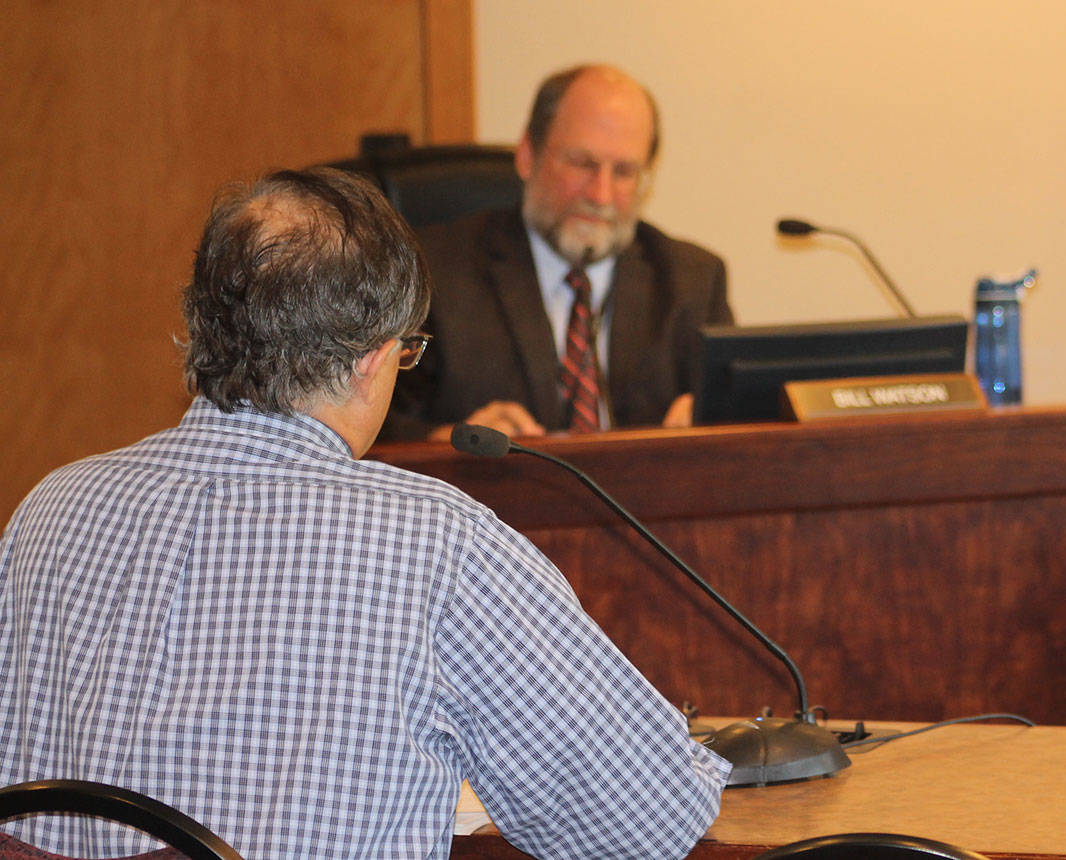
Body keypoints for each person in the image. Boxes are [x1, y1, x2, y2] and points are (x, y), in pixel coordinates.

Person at [0, 168, 730, 859]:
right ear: (372, 360)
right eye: (409, 350)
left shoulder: (48, 511)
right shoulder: (438, 544)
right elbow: (643, 822)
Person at [381, 64, 734, 442]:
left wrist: (715, 420)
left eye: (624, 172)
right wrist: (449, 440)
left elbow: (746, 414)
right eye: (582, 164)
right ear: (527, 155)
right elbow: (371, 425)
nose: (601, 195)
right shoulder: (433, 272)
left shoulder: (693, 282)